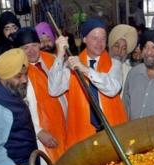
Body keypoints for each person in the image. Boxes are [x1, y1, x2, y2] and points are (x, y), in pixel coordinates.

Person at [48, 18, 127, 147]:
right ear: (84, 39)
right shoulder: (72, 64)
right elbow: (54, 89)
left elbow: (112, 89)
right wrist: (60, 54)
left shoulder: (115, 64)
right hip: (82, 134)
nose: (99, 43)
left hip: (112, 130)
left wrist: (85, 69)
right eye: (94, 38)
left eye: (103, 38)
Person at [13, 27, 67, 164]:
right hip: (42, 134)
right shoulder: (17, 74)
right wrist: (38, 132)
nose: (31, 51)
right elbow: (19, 110)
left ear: (40, 45)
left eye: (34, 45)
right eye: (25, 47)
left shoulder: (53, 60)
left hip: (65, 125)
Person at [108, 24, 138, 96]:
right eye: (116, 46)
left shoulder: (130, 72)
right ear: (110, 46)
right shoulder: (98, 67)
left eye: (124, 48)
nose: (119, 51)